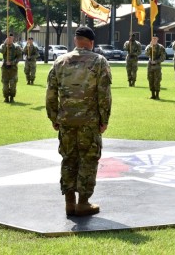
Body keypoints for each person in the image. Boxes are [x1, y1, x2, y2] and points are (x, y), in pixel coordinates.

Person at [46, 26, 111, 217]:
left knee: (69, 159)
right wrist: (104, 119)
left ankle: (69, 203)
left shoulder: (60, 62)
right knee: (88, 160)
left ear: (76, 41)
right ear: (91, 43)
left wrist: (54, 116)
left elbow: (51, 93)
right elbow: (104, 95)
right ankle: (83, 203)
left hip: (66, 120)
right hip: (89, 122)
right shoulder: (99, 61)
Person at [0, 33, 22, 103]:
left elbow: (19, 57)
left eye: (11, 38)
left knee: (13, 85)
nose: (9, 39)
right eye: (8, 38)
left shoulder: (17, 47)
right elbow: (1, 51)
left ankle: (12, 97)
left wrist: (12, 62)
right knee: (5, 85)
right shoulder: (3, 46)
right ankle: (6, 97)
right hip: (5, 68)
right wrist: (4, 44)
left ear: (13, 38)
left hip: (13, 69)